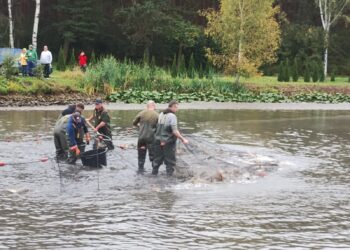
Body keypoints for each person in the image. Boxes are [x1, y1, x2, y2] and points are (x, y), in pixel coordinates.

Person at [152, 100, 189, 176]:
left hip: (157, 141)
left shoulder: (161, 114)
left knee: (157, 161)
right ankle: (169, 180)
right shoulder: (172, 116)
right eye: (176, 107)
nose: (177, 109)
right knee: (170, 162)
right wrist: (183, 139)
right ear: (173, 107)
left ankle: (154, 175)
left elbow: (156, 128)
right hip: (168, 142)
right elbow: (175, 131)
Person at [132, 100, 159, 173]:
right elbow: (159, 128)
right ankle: (154, 172)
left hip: (141, 138)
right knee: (153, 156)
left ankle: (140, 170)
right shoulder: (156, 115)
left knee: (141, 155)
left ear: (147, 106)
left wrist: (140, 127)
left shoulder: (141, 113)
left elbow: (134, 123)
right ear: (153, 106)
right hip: (151, 138)